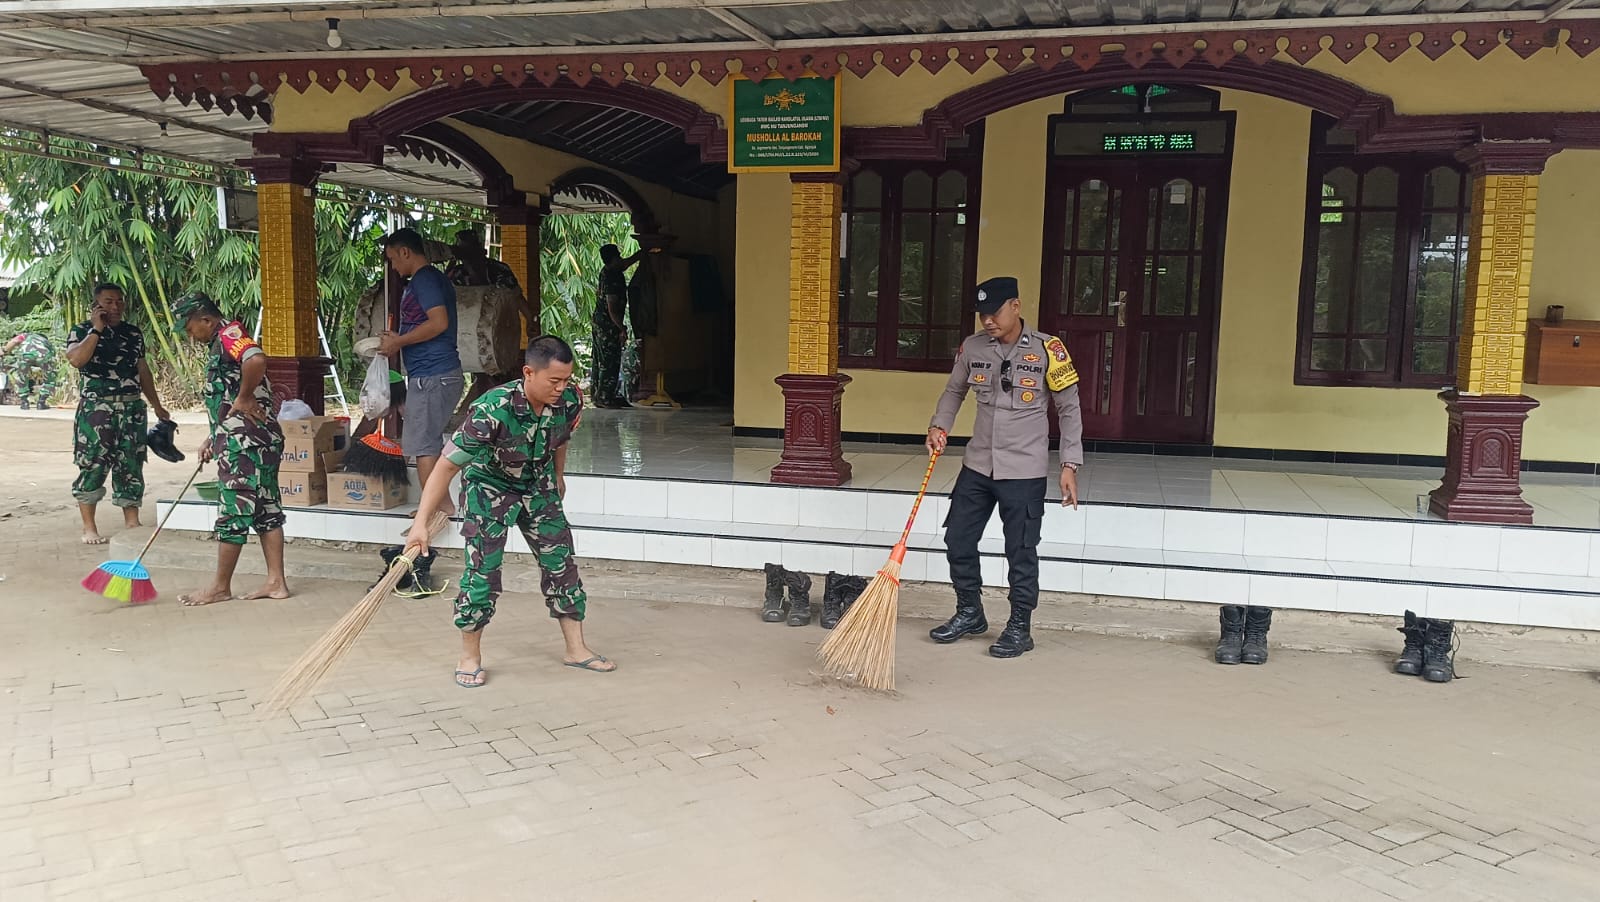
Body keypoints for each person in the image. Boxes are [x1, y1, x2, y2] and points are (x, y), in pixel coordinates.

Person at [407, 335, 615, 689]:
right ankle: (469, 656)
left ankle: (576, 648)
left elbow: (561, 438)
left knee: (561, 563)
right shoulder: (492, 409)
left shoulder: (569, 400)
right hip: (490, 488)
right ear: (528, 373)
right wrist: (420, 524)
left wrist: (559, 476)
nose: (561, 388)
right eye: (554, 381)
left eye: (566, 380)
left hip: (538, 485)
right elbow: (445, 466)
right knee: (482, 573)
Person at [926, 276, 1084, 659]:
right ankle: (970, 611)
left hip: (1024, 470)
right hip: (978, 464)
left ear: (1015, 306)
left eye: (994, 312)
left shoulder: (1050, 349)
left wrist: (1069, 464)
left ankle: (1019, 626)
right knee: (958, 540)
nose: (987, 322)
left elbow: (1068, 408)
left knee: (1021, 550)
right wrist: (938, 424)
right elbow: (954, 390)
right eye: (982, 315)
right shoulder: (973, 347)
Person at [172, 292, 290, 606]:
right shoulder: (221, 342)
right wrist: (214, 436)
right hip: (256, 438)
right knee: (266, 510)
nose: (188, 334)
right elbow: (227, 398)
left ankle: (220, 587)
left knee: (234, 513)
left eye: (189, 326)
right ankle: (276, 582)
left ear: (206, 319)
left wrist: (244, 397)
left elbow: (256, 359)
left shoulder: (228, 335)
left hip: (244, 444)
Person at [63, 283, 170, 545]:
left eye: (120, 301)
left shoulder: (133, 333)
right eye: (109, 302)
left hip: (131, 407)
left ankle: (132, 522)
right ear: (96, 306)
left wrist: (156, 404)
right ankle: (89, 527)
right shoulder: (80, 331)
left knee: (131, 463)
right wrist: (97, 330)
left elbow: (142, 369)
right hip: (98, 408)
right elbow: (77, 360)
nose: (116, 306)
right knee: (93, 463)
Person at [380, 227, 464, 517]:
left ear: (405, 252)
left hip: (433, 374)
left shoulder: (425, 279)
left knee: (424, 444)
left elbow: (438, 323)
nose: (394, 266)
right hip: (432, 374)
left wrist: (399, 342)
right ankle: (438, 507)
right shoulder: (430, 280)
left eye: (393, 259)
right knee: (426, 442)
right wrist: (398, 336)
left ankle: (438, 509)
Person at [591, 244, 645, 409]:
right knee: (609, 360)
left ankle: (599, 395)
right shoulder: (611, 278)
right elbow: (612, 308)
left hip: (600, 323)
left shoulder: (609, 271)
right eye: (618, 256)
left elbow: (626, 263)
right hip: (608, 325)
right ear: (613, 259)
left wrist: (643, 252)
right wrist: (621, 327)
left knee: (600, 360)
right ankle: (606, 397)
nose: (621, 258)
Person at [2, 331, 56, 410]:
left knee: (21, 376)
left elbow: (14, 341)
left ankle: (24, 402)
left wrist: (4, 351)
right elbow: (52, 357)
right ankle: (41, 402)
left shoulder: (25, 335)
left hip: (25, 355)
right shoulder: (47, 342)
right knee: (49, 378)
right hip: (44, 355)